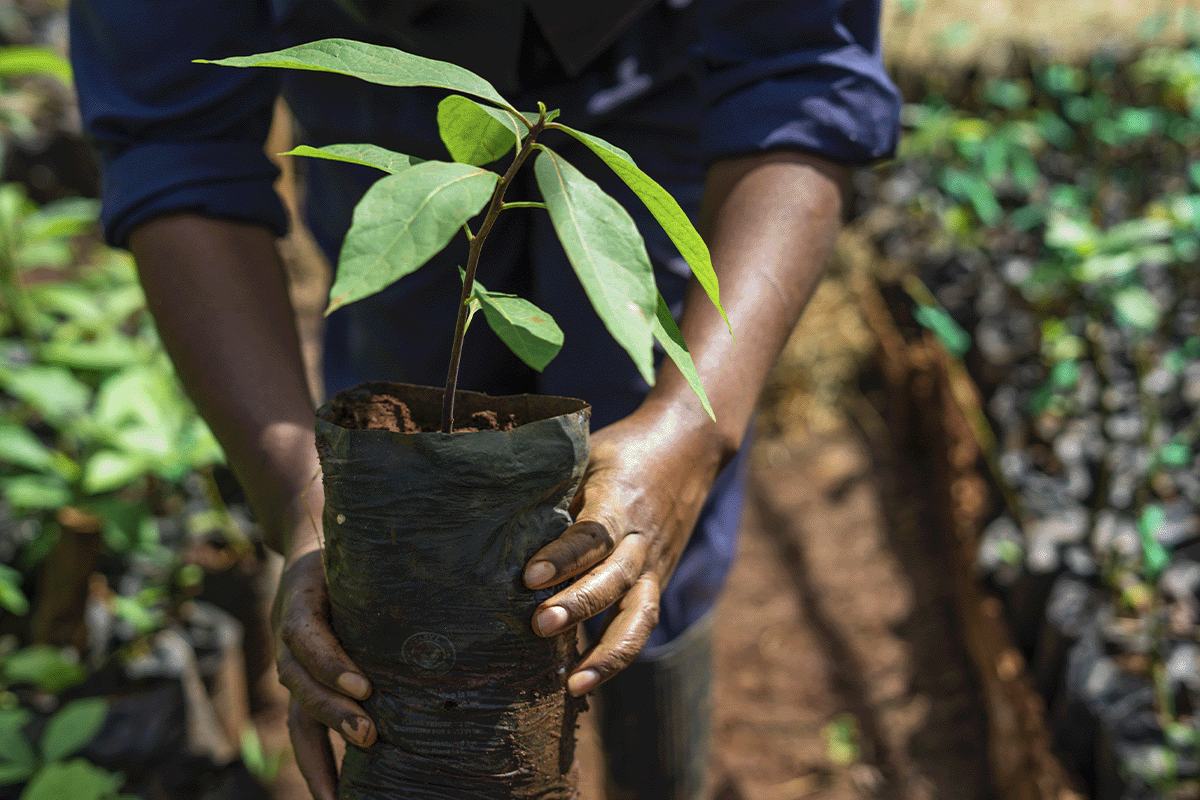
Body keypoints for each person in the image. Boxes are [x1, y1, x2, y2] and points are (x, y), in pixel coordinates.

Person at [68, 2, 900, 798]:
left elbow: (798, 70)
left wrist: (692, 423)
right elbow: (174, 133)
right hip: (393, 89)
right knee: (411, 484)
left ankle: (657, 764)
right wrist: (304, 501)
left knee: (632, 521)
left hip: (666, 62)